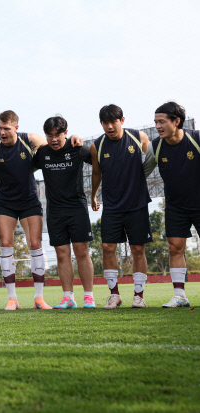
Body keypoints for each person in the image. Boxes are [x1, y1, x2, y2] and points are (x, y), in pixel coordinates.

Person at [0, 110, 83, 311]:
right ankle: (12, 299)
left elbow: (56, 147)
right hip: (5, 202)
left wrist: (73, 137)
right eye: (0, 128)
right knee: (6, 245)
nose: (2, 132)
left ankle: (39, 298)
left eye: (6, 128)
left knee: (36, 244)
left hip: (29, 201)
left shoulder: (31, 140)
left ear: (16, 127)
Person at [91, 104, 151, 309]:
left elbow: (152, 159)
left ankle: (138, 296)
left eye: (113, 122)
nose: (109, 126)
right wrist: (93, 196)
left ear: (122, 121)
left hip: (137, 203)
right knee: (107, 247)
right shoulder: (97, 146)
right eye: (105, 123)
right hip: (112, 206)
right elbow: (96, 173)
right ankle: (114, 295)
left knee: (138, 248)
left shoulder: (139, 137)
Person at [32, 116, 95, 309]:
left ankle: (89, 297)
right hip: (55, 211)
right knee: (61, 254)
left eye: (58, 135)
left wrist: (95, 194)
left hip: (77, 208)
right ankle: (68, 298)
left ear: (65, 133)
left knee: (82, 252)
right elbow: (23, 167)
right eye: (49, 135)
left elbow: (100, 162)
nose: (54, 139)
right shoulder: (42, 153)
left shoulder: (78, 148)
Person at [144, 102, 198, 308]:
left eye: (162, 121)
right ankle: (180, 296)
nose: (158, 126)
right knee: (175, 248)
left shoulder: (196, 139)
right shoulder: (155, 147)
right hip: (176, 206)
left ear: (176, 121)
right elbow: (142, 173)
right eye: (156, 122)